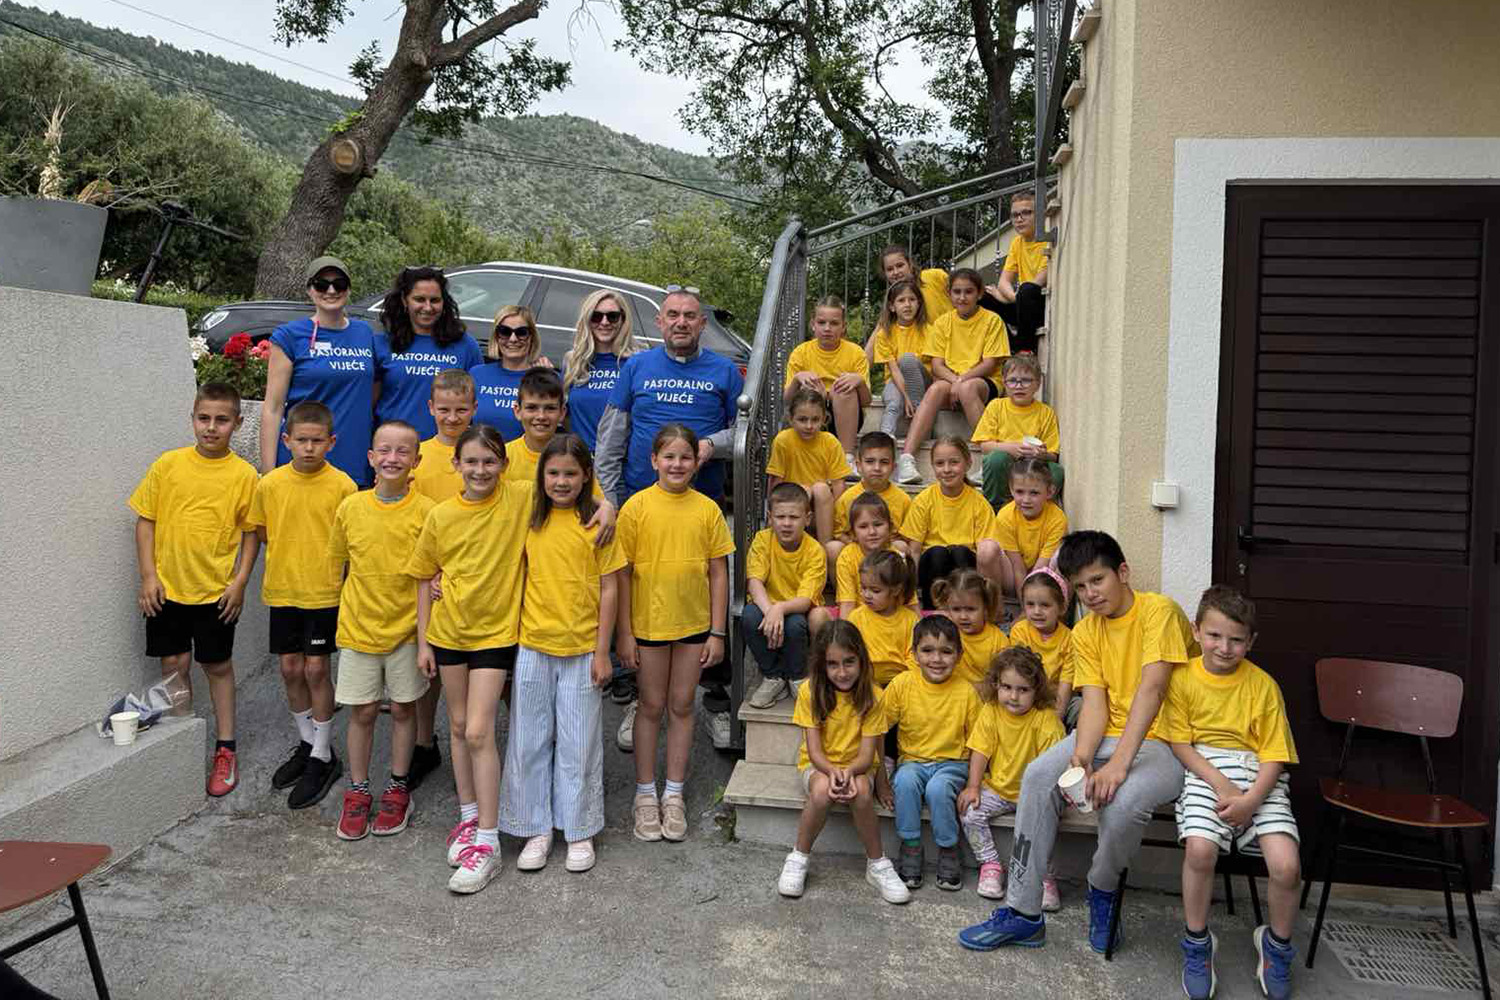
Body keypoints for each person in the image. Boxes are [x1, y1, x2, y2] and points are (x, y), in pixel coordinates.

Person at [957, 530, 1195, 956]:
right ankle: (1023, 912)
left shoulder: (1159, 612)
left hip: (1165, 741)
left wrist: (1117, 766)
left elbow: (1153, 690)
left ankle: (1102, 890)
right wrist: (1082, 757)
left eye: (1097, 580)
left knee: (1122, 803)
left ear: (1123, 572)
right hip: (1107, 736)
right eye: (1081, 587)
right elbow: (1096, 702)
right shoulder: (1085, 630)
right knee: (1038, 775)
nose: (1091, 593)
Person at [597, 287, 743, 749]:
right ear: (660, 322)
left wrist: (713, 444)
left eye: (690, 316)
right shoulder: (636, 367)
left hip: (700, 508)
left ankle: (714, 701)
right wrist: (609, 500)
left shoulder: (724, 371)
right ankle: (641, 697)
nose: (681, 322)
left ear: (703, 324)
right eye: (673, 315)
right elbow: (611, 438)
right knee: (636, 600)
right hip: (640, 507)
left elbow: (745, 430)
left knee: (706, 596)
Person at [1161, 586, 1300, 1000]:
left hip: (1260, 777)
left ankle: (1276, 946)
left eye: (1236, 639)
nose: (1224, 647)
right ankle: (1197, 943)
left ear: (1251, 641)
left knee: (1286, 866)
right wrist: (1221, 786)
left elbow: (1275, 755)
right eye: (1215, 636)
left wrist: (1252, 800)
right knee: (1200, 850)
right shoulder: (1181, 678)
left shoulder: (1263, 686)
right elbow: (1180, 743)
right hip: (1205, 771)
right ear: (1196, 631)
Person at [408, 425, 528, 894]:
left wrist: (606, 506)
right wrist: (424, 642)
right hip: (448, 634)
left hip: (495, 634)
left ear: (504, 465)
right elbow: (424, 577)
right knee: (458, 727)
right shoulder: (441, 515)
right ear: (456, 464)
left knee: (479, 730)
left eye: (490, 461)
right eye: (472, 461)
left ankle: (490, 842)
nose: (481, 470)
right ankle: (469, 816)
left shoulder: (519, 499)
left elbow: (577, 490)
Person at [499, 436, 624, 875]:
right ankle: (534, 827)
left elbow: (610, 588)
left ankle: (578, 828)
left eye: (571, 473)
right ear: (541, 476)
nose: (561, 481)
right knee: (529, 738)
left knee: (579, 740)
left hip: (582, 648)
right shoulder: (529, 517)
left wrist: (603, 651)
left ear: (587, 475)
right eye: (553, 473)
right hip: (534, 643)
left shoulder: (598, 524)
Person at [130, 381, 259, 797]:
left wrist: (239, 582)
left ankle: (226, 748)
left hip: (216, 593)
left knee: (217, 665)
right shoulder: (168, 464)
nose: (211, 427)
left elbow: (251, 533)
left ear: (238, 423)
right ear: (192, 420)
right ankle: (180, 738)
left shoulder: (244, 476)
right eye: (204, 418)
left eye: (222, 420)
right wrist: (148, 576)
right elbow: (145, 521)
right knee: (173, 662)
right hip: (167, 589)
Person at [616, 424, 734, 842]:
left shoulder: (707, 509)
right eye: (669, 456)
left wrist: (717, 632)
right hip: (648, 624)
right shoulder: (635, 507)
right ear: (654, 460)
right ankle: (645, 793)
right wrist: (624, 633)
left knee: (682, 705)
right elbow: (622, 574)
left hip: (693, 625)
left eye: (685, 457)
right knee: (650, 705)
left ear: (696, 462)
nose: (678, 464)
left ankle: (674, 793)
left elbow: (718, 573)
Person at [326, 420, 435, 842]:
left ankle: (398, 787)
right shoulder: (351, 508)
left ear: (416, 461)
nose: (393, 458)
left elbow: (434, 571)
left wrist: (424, 637)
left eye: (403, 451)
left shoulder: (427, 512)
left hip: (407, 631)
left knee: (405, 710)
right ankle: (357, 790)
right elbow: (340, 565)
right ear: (371, 457)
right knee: (363, 711)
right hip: (359, 630)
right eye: (384, 450)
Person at [247, 400, 355, 810]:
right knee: (291, 668)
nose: (309, 448)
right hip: (284, 591)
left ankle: (323, 754)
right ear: (286, 440)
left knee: (316, 669)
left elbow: (351, 543)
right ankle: (309, 745)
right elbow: (262, 531)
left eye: (317, 441)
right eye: (302, 440)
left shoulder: (343, 486)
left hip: (324, 593)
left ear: (331, 442)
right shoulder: (270, 485)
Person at [777, 620, 910, 904]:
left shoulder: (874, 695)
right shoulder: (810, 692)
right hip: (819, 765)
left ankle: (877, 863)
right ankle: (798, 857)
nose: (842, 672)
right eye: (833, 664)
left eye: (849, 662)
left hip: (858, 765)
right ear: (822, 665)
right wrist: (833, 772)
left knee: (861, 791)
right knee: (822, 791)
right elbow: (814, 752)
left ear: (861, 659)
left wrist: (852, 773)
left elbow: (868, 754)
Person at [407, 367, 476, 790]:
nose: (452, 418)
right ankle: (423, 742)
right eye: (445, 410)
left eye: (461, 410)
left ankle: (474, 750)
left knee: (475, 672)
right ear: (431, 408)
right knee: (428, 667)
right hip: (426, 574)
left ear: (473, 409)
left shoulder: (479, 453)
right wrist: (431, 572)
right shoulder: (420, 455)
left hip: (470, 577)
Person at [875, 614, 980, 892]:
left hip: (953, 763)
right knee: (905, 782)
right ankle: (911, 846)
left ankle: (948, 848)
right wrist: (881, 782)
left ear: (959, 655)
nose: (937, 659)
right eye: (928, 650)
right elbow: (877, 728)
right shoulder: (902, 684)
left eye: (946, 651)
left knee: (938, 789)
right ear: (914, 654)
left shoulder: (966, 692)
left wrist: (974, 782)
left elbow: (979, 742)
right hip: (912, 761)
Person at [959, 646, 1064, 906]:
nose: (1014, 696)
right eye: (1006, 687)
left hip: (1036, 794)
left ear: (1037, 690)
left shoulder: (1045, 719)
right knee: (969, 812)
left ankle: (1044, 877)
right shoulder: (991, 711)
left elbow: (1053, 765)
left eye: (1023, 689)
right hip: (999, 790)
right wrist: (973, 786)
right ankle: (991, 865)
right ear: (996, 684)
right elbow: (980, 751)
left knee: (1043, 825)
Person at [261, 256, 379, 487]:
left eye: (339, 284)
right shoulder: (289, 336)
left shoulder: (365, 334)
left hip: (353, 460)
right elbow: (273, 408)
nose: (331, 291)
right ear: (309, 290)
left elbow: (373, 394)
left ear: (349, 289)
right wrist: (268, 473)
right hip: (302, 463)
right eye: (322, 285)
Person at [897, 268, 1010, 485]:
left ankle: (988, 459)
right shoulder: (943, 322)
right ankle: (907, 459)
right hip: (950, 381)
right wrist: (955, 381)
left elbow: (989, 364)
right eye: (957, 292)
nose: (962, 297)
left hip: (983, 382)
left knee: (968, 388)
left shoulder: (992, 320)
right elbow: (937, 365)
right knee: (935, 389)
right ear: (949, 293)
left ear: (979, 294)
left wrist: (961, 381)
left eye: (968, 292)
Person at [373, 265, 483, 438]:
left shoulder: (465, 345)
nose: (428, 307)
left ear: (444, 302)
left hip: (447, 448)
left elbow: (477, 404)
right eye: (419, 299)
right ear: (404, 300)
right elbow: (369, 404)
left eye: (435, 300)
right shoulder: (382, 343)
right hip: (395, 448)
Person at [744, 482, 826, 709]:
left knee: (795, 624)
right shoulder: (763, 540)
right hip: (766, 607)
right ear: (770, 518)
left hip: (797, 612)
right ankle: (773, 676)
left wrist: (779, 609)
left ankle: (797, 675)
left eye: (794, 517)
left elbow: (806, 601)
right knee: (749, 616)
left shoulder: (814, 550)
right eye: (780, 517)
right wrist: (771, 611)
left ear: (807, 519)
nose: (787, 523)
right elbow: (754, 582)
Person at [901, 436, 992, 609]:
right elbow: (915, 550)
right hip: (932, 567)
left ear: (968, 463)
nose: (947, 469)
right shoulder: (924, 500)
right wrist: (910, 594)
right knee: (938, 553)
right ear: (932, 466)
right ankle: (932, 610)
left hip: (965, 567)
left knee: (959, 552)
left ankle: (966, 606)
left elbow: (983, 553)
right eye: (940, 463)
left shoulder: (979, 503)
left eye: (954, 462)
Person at [783, 295, 871, 464]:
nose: (827, 328)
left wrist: (859, 382)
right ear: (813, 325)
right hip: (810, 418)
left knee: (844, 390)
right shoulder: (801, 352)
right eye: (821, 322)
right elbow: (787, 400)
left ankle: (847, 457)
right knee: (809, 390)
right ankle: (808, 452)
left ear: (843, 327)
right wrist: (797, 379)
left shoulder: (856, 353)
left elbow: (866, 401)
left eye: (834, 323)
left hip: (846, 419)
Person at [972, 354, 1063, 508]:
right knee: (996, 459)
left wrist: (1041, 454)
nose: (1019, 386)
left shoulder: (1045, 412)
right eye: (1012, 381)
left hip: (1033, 465)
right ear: (1004, 383)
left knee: (1056, 471)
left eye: (1026, 380)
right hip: (1005, 463)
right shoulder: (996, 406)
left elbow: (1053, 455)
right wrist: (1010, 448)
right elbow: (984, 446)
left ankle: (1037, 509)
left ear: (1037, 384)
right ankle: (995, 507)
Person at [766, 386, 850, 545]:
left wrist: (839, 518)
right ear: (791, 419)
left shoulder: (830, 442)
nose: (809, 426)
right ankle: (793, 546)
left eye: (815, 420)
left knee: (821, 488)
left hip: (821, 511)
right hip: (791, 508)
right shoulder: (783, 440)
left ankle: (824, 547)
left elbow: (839, 485)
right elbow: (776, 480)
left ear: (824, 419)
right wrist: (772, 511)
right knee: (804, 490)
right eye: (802, 420)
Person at [562, 288, 644, 452]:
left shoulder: (638, 362)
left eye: (612, 316)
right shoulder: (572, 361)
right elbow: (564, 415)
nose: (604, 322)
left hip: (620, 460)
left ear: (623, 319)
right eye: (596, 316)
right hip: (581, 459)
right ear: (587, 319)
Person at [977, 458, 1069, 602]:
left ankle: (1056, 612)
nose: (1026, 500)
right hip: (1012, 575)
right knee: (986, 549)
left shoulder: (1057, 518)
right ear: (1011, 489)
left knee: (1067, 553)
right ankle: (994, 606)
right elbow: (1017, 567)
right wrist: (1024, 603)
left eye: (1034, 493)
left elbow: (1041, 566)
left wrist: (1027, 608)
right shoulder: (1005, 516)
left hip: (1043, 575)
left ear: (1050, 491)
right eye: (1020, 492)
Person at [827, 431, 911, 571]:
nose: (877, 468)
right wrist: (858, 544)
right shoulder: (847, 498)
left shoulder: (903, 500)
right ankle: (844, 585)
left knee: (901, 547)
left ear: (893, 467)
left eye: (884, 462)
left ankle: (894, 586)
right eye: (870, 462)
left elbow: (906, 536)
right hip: (857, 551)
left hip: (887, 555)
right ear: (859, 465)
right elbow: (839, 532)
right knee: (833, 548)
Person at [1008, 567, 1077, 729]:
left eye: (1045, 605)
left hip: (1057, 699)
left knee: (1079, 706)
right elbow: (1020, 675)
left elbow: (1066, 683)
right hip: (1027, 695)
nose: (1037, 611)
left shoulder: (1069, 638)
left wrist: (1055, 720)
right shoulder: (1020, 631)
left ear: (1062, 607)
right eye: (1030, 605)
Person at [818, 493, 901, 627]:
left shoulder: (895, 556)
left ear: (890, 527)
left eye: (878, 524)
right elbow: (847, 604)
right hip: (859, 618)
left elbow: (909, 603)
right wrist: (847, 635)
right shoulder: (847, 557)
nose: (872, 532)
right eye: (863, 527)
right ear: (853, 533)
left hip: (890, 620)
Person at [471, 306, 549, 442]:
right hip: (482, 454)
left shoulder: (543, 377)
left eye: (521, 332)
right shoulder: (477, 374)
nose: (513, 339)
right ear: (496, 337)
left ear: (532, 337)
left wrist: (546, 381)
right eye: (505, 332)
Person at [871, 278, 932, 437]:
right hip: (895, 380)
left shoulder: (929, 331)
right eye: (901, 300)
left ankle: (919, 420)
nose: (907, 305)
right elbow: (894, 370)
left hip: (923, 383)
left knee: (907, 359)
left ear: (919, 303)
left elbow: (933, 367)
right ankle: (885, 437)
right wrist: (905, 397)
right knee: (894, 402)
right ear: (892, 306)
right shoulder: (884, 334)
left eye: (912, 299)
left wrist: (911, 399)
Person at [931, 569, 1010, 687]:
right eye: (956, 609)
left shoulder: (998, 640)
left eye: (970, 609)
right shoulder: (944, 633)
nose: (963, 616)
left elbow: (1001, 680)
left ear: (985, 608)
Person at [993, 192, 1049, 355]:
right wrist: (1012, 297)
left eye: (1026, 213)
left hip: (1040, 305)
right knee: (983, 296)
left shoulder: (1048, 239)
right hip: (1021, 303)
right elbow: (1003, 282)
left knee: (1027, 289)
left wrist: (1010, 298)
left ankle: (1025, 350)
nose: (1019, 219)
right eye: (1015, 215)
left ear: (1040, 214)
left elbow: (1038, 282)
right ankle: (1008, 347)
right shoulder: (1017, 243)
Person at [503, 367, 567, 484]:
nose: (541, 416)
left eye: (550, 408)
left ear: (562, 413)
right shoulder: (503, 458)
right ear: (517, 410)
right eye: (532, 408)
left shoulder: (574, 459)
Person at [879, 244, 952, 323]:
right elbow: (883, 326)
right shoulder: (892, 301)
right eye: (890, 269)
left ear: (910, 264)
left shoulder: (935, 276)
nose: (896, 272)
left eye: (900, 266)